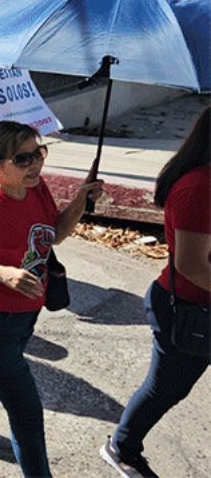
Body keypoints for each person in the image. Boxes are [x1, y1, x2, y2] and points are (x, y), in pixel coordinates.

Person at [0, 121, 104, 477]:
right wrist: (3, 273)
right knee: (26, 411)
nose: (35, 164)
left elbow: (56, 235)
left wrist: (81, 198)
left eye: (39, 154)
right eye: (23, 159)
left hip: (25, 318)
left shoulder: (35, 189)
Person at [104, 108, 210, 477]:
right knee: (166, 388)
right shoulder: (199, 187)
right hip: (187, 309)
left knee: (169, 386)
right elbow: (192, 265)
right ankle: (123, 447)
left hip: (196, 303)